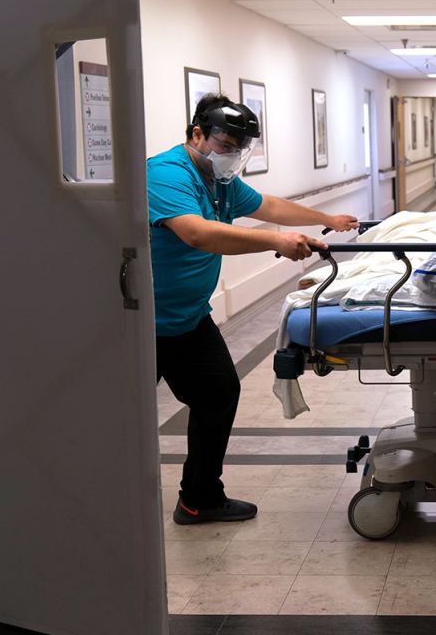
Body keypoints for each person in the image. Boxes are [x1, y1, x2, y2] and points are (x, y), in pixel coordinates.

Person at [148, 94, 359, 525]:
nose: (233, 156)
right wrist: (276, 241)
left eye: (241, 149)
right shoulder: (166, 173)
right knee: (114, 417)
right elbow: (198, 233)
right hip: (135, 323)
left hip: (184, 318)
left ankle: (199, 499)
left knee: (218, 393)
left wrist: (326, 218)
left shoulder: (219, 179)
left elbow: (268, 205)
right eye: (225, 145)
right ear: (197, 134)